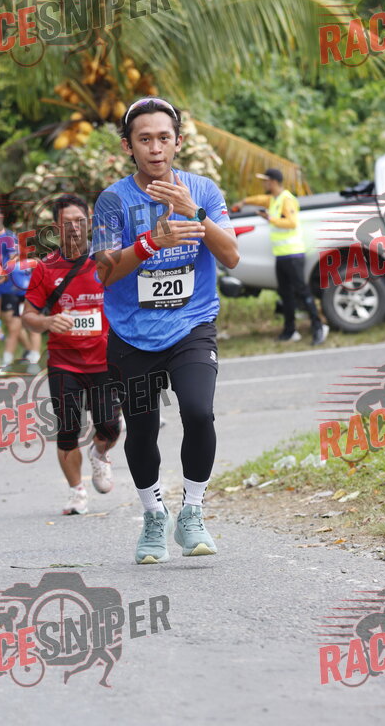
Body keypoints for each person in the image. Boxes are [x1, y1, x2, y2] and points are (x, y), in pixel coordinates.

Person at [92, 97, 239, 564]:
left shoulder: (203, 190)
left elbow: (232, 256)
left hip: (192, 324)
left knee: (198, 412)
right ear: (128, 146)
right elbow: (104, 273)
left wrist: (195, 214)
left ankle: (192, 512)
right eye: (144, 139)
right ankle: (154, 516)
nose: (155, 148)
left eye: (163, 138)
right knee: (142, 430)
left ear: (178, 142)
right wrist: (151, 242)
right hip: (132, 334)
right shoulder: (113, 200)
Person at [22, 194, 121, 516]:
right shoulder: (45, 268)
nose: (75, 228)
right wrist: (48, 322)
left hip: (105, 360)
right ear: (56, 227)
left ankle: (99, 452)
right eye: (67, 223)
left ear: (89, 222)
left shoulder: (107, 260)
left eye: (80, 221)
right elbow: (28, 316)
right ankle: (76, 491)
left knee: (110, 426)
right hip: (64, 362)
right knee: (67, 429)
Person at [238, 168, 329, 346]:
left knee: (302, 291)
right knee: (285, 294)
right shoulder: (273, 199)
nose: (264, 184)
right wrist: (244, 202)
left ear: (273, 181)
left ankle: (319, 326)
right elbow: (259, 199)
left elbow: (292, 222)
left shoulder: (287, 199)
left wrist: (269, 219)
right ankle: (290, 330)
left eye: (265, 180)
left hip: (293, 254)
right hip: (281, 255)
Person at [0, 205, 41, 374]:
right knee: (13, 328)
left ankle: (34, 361)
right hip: (12, 291)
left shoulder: (11, 243)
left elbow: (29, 263)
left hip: (27, 292)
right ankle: (6, 363)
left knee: (31, 327)